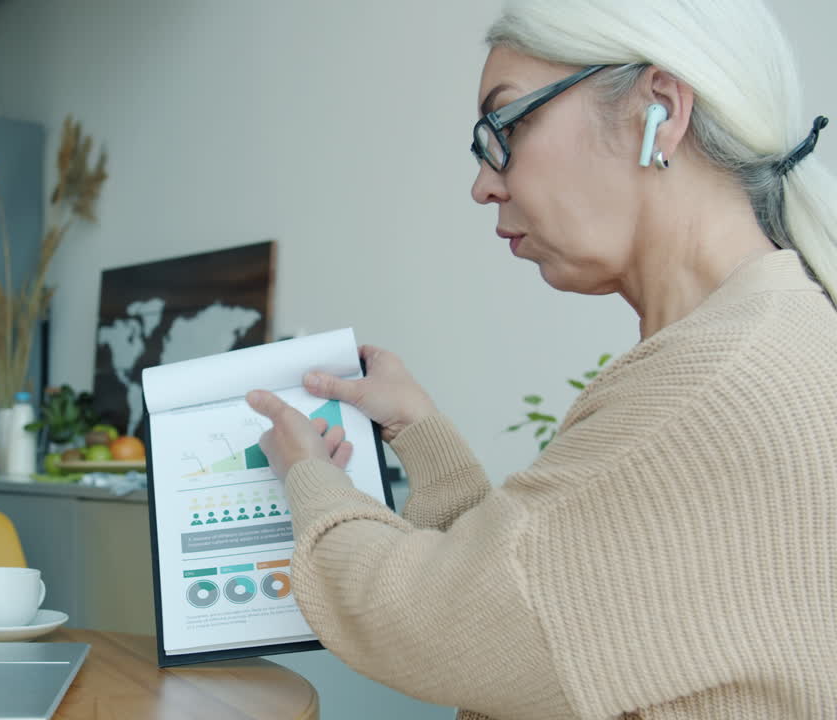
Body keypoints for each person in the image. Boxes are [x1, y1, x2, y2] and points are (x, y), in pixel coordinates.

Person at [247, 1, 837, 717]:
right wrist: (424, 435)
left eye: (505, 127)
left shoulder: (711, 388)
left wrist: (306, 476)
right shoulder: (764, 337)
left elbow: (436, 624)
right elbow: (537, 598)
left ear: (660, 108)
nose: (484, 183)